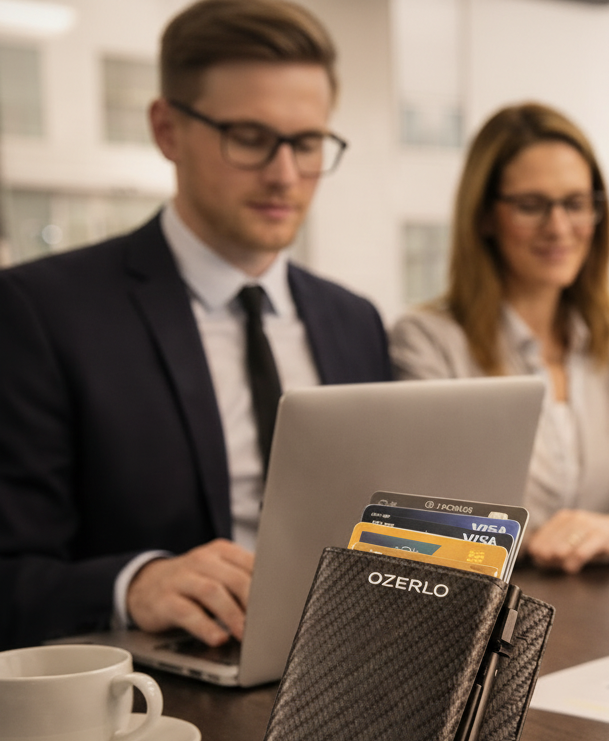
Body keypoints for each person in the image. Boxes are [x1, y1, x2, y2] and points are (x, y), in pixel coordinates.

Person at [0, 0, 391, 650]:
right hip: (157, 702)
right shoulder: (40, 312)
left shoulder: (354, 321)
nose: (285, 174)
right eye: (250, 137)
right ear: (166, 129)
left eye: (308, 141)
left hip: (346, 668)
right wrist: (134, 583)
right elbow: (10, 572)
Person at [389, 103, 609, 573]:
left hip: (606, 614)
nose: (559, 227)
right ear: (484, 216)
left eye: (575, 203)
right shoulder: (428, 343)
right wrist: (535, 540)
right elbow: (420, 521)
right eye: (531, 205)